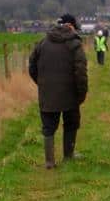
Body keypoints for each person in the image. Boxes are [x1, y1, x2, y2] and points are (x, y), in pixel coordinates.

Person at [28, 13, 89, 169]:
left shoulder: (43, 42)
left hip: (47, 92)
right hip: (70, 93)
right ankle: (68, 156)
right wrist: (81, 93)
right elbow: (81, 72)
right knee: (71, 123)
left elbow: (32, 66)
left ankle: (49, 162)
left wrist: (42, 84)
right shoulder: (74, 44)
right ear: (71, 26)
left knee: (48, 127)